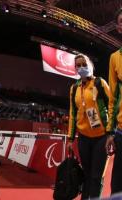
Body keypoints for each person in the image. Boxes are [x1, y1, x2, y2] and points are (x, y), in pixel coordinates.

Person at [67, 54, 110, 199]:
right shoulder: (74, 88)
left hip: (101, 137)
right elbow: (73, 113)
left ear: (90, 65)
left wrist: (111, 132)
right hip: (83, 138)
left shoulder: (100, 83)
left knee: (97, 176)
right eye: (78, 65)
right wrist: (70, 137)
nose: (81, 68)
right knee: (86, 174)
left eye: (84, 64)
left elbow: (112, 105)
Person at [105, 7, 122, 195]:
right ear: (118, 28)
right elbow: (113, 97)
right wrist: (110, 131)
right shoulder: (114, 58)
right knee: (118, 183)